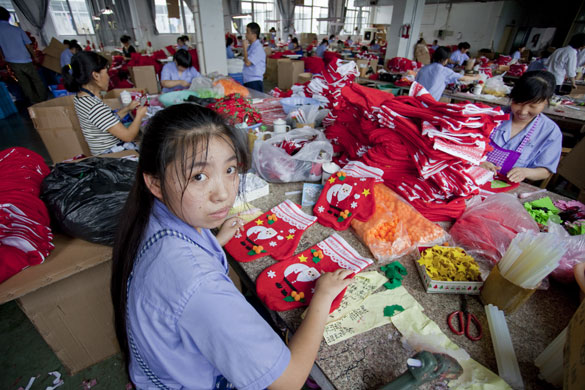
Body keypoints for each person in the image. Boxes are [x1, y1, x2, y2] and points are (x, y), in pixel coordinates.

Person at [110, 103, 354, 390]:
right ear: (155, 183)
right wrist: (322, 298)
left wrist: (213, 241)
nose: (224, 193)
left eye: (229, 169)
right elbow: (287, 381)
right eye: (198, 176)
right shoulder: (199, 285)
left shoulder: (151, 214)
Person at [481, 70, 562, 183]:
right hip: (475, 177)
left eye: (533, 106)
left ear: (546, 102)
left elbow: (546, 170)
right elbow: (463, 146)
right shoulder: (493, 115)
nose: (523, 112)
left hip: (508, 186)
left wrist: (526, 172)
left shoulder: (550, 131)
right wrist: (478, 161)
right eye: (518, 103)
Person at [63, 51, 146, 155]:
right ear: (96, 75)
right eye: (106, 72)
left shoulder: (81, 97)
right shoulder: (94, 106)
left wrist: (127, 109)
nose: (108, 76)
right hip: (111, 155)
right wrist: (139, 116)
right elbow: (128, 136)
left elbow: (107, 120)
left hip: (105, 150)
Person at [0, 7, 48, 105]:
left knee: (24, 83)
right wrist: (34, 56)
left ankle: (34, 102)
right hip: (25, 60)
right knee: (36, 80)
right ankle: (43, 99)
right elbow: (28, 45)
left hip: (12, 61)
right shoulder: (16, 30)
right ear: (8, 17)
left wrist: (3, 57)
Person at [415, 46, 480, 101]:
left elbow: (416, 83)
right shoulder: (444, 71)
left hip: (416, 100)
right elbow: (464, 78)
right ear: (445, 59)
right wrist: (476, 77)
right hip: (429, 103)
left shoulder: (423, 68)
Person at [243, 22, 266, 93]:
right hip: (248, 79)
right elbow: (245, 59)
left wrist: (244, 48)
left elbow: (247, 63)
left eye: (247, 32)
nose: (245, 34)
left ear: (254, 35)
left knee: (256, 101)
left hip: (254, 81)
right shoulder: (251, 47)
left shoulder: (258, 48)